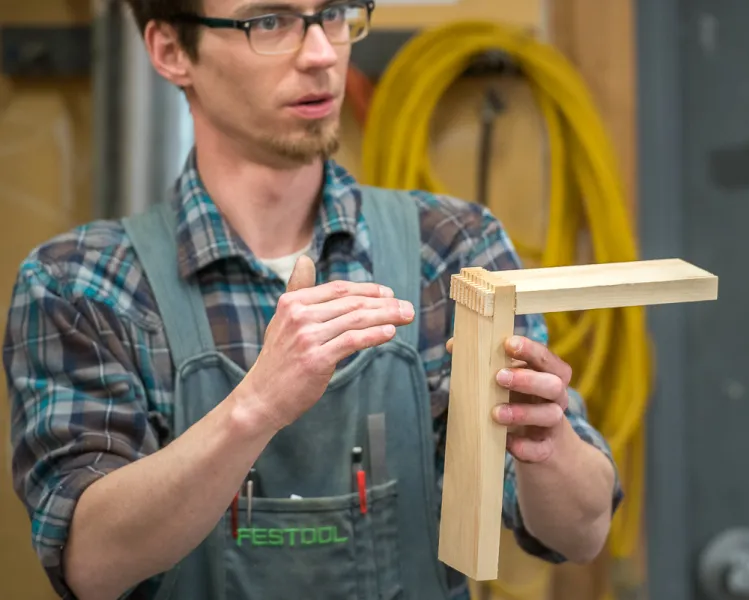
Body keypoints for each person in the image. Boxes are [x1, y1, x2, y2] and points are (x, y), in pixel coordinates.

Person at [3, 0, 622, 598]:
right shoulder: (82, 285)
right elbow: (91, 564)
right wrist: (256, 407)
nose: (323, 52)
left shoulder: (453, 249)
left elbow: (582, 532)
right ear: (170, 50)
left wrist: (546, 444)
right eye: (269, 21)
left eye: (334, 13)